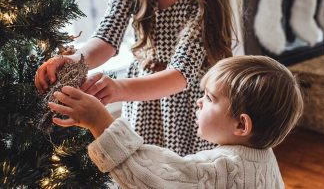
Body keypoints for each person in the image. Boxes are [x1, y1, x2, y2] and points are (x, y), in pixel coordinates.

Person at [35, 0, 243, 156]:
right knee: (144, 165)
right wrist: (75, 60)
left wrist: (118, 89)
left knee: (180, 169)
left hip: (185, 103)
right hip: (142, 101)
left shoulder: (201, 3)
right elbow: (106, 38)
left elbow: (180, 75)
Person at [48, 55, 304, 188]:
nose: (198, 102)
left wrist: (100, 122)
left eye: (210, 98)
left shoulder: (221, 167)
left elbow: (149, 179)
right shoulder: (264, 158)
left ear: (241, 125)